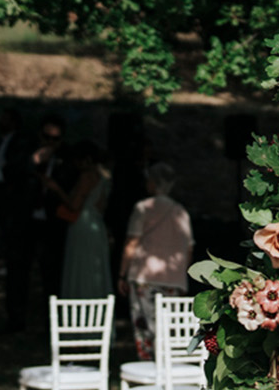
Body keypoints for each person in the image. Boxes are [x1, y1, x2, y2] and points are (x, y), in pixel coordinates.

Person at [119, 161, 193, 360]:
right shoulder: (181, 212)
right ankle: (168, 366)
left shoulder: (143, 208)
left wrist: (122, 274)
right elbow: (188, 248)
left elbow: (131, 243)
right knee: (168, 328)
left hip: (144, 276)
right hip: (173, 279)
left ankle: (148, 368)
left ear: (153, 182)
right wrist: (181, 274)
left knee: (145, 327)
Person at [0, 108, 35, 330]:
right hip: (5, 206)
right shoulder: (3, 142)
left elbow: (16, 171)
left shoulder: (21, 143)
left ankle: (17, 316)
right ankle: (13, 315)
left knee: (18, 264)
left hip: (17, 211)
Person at [25, 114, 69, 328]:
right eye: (47, 137)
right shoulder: (30, 156)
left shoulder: (66, 161)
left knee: (52, 273)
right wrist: (34, 162)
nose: (50, 143)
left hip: (54, 223)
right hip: (30, 219)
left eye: (56, 139)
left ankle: (51, 322)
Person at [54, 141, 112, 300]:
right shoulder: (104, 176)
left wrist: (56, 189)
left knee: (81, 270)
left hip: (83, 226)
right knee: (94, 269)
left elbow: (74, 205)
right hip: (97, 226)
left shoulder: (87, 176)